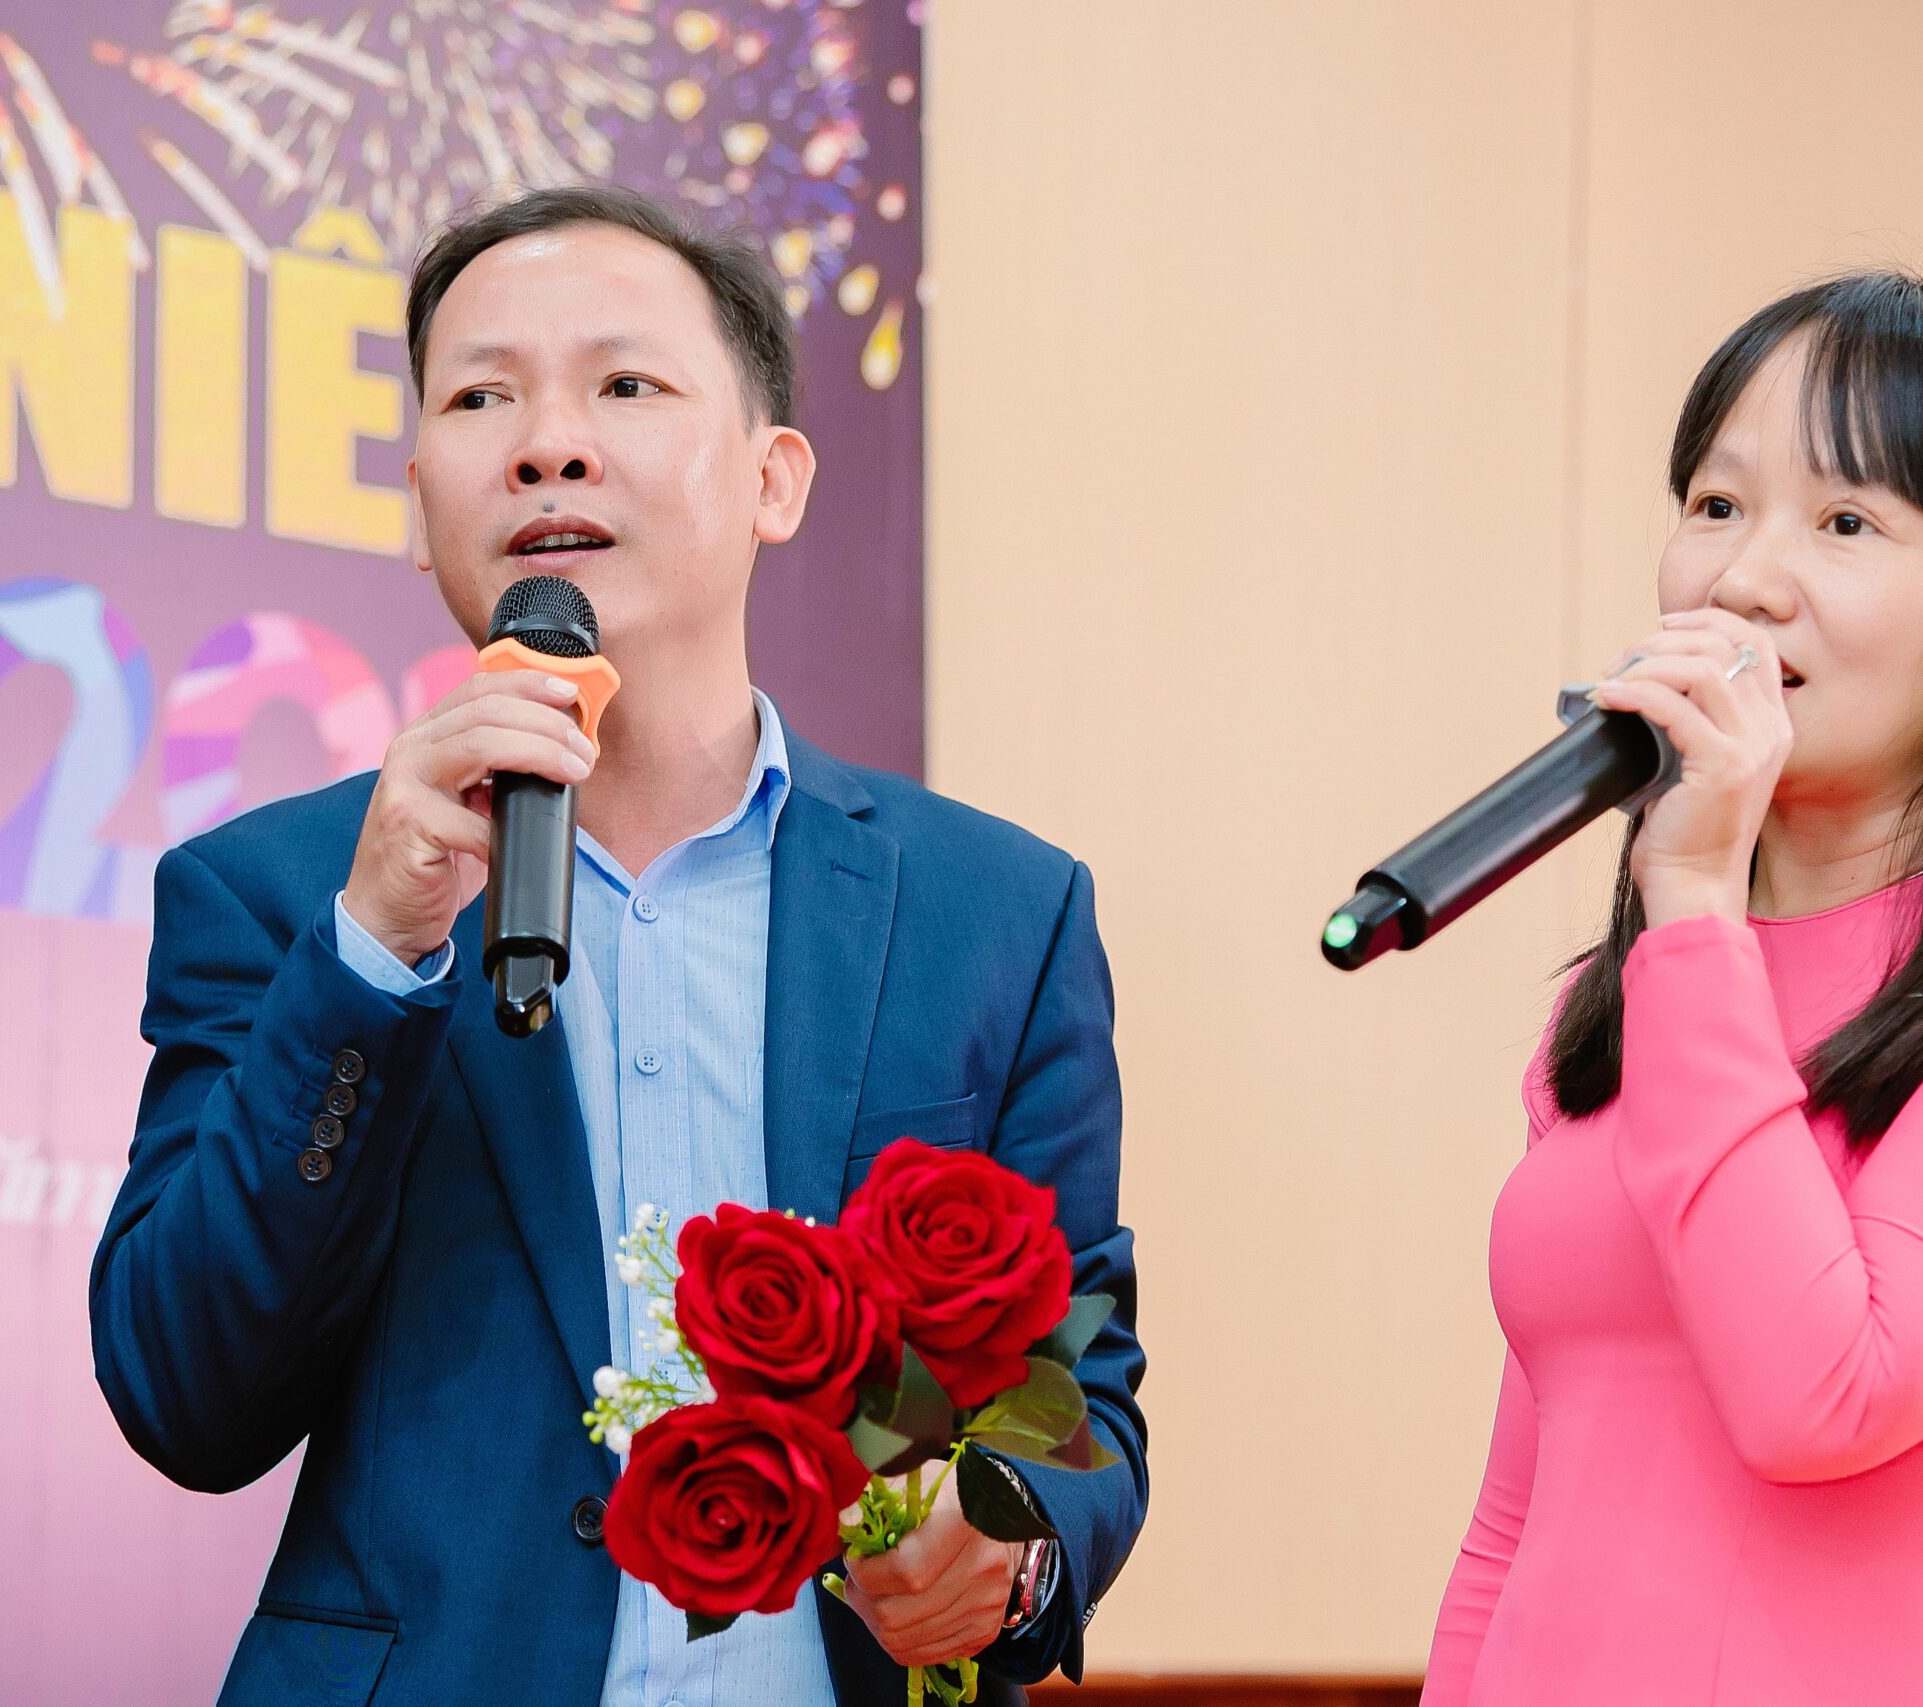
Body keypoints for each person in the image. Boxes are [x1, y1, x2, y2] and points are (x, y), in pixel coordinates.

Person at [90, 184, 1146, 1707]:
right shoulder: (278, 898)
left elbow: (1075, 1379)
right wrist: (376, 953)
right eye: (481, 399)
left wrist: (1012, 1543)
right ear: (421, 499)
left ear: (775, 479)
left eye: (626, 384)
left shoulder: (996, 910)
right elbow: (185, 1394)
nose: (547, 445)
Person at [1420, 274, 1923, 1707]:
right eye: (1717, 504)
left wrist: (1691, 899)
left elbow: (1823, 1395)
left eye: (1847, 523)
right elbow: (1514, 1529)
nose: (1743, 579)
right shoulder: (1626, 1001)